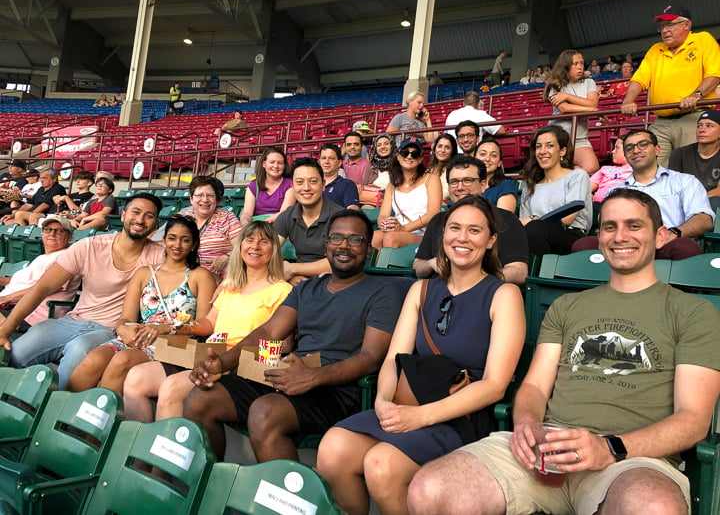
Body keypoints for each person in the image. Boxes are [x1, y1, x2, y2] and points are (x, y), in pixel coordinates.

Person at [407, 188, 720, 515]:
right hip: (548, 447)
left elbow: (693, 420)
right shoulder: (567, 306)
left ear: (659, 237)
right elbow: (535, 387)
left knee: (655, 508)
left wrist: (609, 447)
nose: (620, 236)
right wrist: (527, 425)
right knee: (430, 490)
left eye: (634, 225)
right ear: (599, 238)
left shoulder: (692, 312)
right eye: (609, 227)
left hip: (630, 458)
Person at [317, 196, 525, 515]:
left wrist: (421, 416)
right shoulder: (421, 289)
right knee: (332, 449)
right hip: (410, 402)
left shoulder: (503, 294)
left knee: (381, 464)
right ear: (442, 235)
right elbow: (392, 359)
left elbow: (496, 385)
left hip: (462, 415)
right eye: (455, 228)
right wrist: (383, 401)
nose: (463, 238)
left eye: (474, 230)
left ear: (490, 240)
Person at [184, 210, 404, 462]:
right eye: (336, 238)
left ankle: (284, 500)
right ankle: (211, 483)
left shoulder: (382, 292)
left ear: (368, 249)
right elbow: (268, 332)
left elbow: (371, 357)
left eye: (355, 239)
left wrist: (315, 377)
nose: (344, 245)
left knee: (265, 412)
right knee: (201, 398)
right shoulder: (307, 288)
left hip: (337, 391)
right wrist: (221, 363)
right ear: (326, 245)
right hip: (294, 375)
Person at [122, 221, 292, 423]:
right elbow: (209, 324)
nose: (255, 246)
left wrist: (237, 361)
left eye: (264, 242)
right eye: (249, 240)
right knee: (136, 378)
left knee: (171, 387)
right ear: (240, 247)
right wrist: (176, 326)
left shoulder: (283, 291)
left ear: (274, 249)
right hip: (211, 352)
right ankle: (136, 445)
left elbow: (285, 345)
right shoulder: (230, 287)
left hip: (240, 365)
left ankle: (164, 453)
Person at [0, 193, 165, 389]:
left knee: (78, 356)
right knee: (15, 353)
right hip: (73, 320)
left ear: (155, 224)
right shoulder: (89, 246)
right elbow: (41, 288)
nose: (140, 219)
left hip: (110, 330)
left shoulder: (159, 256)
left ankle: (58, 413)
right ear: (122, 215)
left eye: (149, 216)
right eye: (136, 212)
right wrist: (5, 330)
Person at [66, 215, 216, 393]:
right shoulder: (145, 273)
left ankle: (99, 416)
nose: (177, 245)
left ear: (193, 245)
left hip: (178, 343)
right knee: (94, 359)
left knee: (122, 360)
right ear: (164, 240)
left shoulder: (200, 276)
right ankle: (60, 414)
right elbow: (126, 318)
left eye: (185, 240)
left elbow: (204, 327)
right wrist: (123, 330)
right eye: (172, 238)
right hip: (142, 339)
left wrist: (167, 328)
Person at [573, 128, 714, 260]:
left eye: (643, 144)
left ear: (657, 149)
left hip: (665, 243)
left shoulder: (684, 181)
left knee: (685, 248)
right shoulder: (615, 191)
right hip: (624, 245)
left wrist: (676, 233)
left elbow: (704, 218)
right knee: (583, 245)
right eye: (629, 148)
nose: (635, 150)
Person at [620, 4, 720, 167]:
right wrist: (628, 100)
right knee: (649, 167)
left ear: (686, 25)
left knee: (692, 168)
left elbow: (715, 74)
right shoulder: (655, 49)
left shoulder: (702, 39)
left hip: (693, 117)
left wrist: (696, 95)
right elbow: (639, 79)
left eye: (670, 24)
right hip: (661, 121)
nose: (665, 30)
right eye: (662, 26)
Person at [414, 156, 529, 285]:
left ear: (483, 184)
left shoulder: (506, 219)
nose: (460, 187)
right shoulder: (438, 219)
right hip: (437, 292)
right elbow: (418, 265)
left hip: (485, 295)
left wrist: (477, 279)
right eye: (454, 182)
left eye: (468, 180)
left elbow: (519, 271)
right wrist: (432, 263)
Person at [519, 125, 592, 257]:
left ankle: (533, 275)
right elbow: (523, 221)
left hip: (569, 235)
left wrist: (535, 219)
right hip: (536, 235)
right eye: (538, 146)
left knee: (535, 228)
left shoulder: (577, 176)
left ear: (562, 151)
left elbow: (567, 218)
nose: (542, 151)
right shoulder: (530, 185)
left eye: (550, 146)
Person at [0, 215, 79, 332]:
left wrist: (6, 298)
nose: (52, 233)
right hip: (12, 306)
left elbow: (44, 288)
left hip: (28, 315)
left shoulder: (65, 258)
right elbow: (22, 280)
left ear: (69, 237)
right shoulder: (43, 257)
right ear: (42, 234)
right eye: (48, 229)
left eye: (59, 230)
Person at [273, 157, 344, 284]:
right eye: (299, 182)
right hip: (298, 282)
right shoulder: (287, 216)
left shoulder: (340, 217)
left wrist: (293, 269)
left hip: (334, 281)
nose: (306, 188)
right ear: (292, 186)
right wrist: (290, 276)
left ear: (323, 185)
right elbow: (266, 252)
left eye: (313, 181)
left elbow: (340, 261)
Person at [372, 138, 442, 249]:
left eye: (414, 154)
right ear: (399, 157)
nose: (409, 157)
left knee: (391, 238)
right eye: (405, 153)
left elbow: (433, 212)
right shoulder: (392, 185)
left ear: (420, 159)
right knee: (375, 237)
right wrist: (385, 225)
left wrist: (404, 228)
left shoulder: (431, 179)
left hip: (422, 234)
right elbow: (383, 215)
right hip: (396, 231)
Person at [544, 49, 600, 174]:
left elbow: (593, 102)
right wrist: (591, 110)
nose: (580, 67)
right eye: (575, 64)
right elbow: (564, 108)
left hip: (580, 137)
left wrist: (567, 97)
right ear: (565, 66)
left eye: (582, 63)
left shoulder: (589, 82)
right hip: (558, 137)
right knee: (556, 170)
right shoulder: (556, 85)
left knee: (592, 167)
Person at [178, 176, 242, 278]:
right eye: (199, 195)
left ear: (217, 200)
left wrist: (227, 257)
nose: (205, 200)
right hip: (185, 276)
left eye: (210, 195)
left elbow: (241, 246)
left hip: (218, 277)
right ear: (191, 199)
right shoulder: (183, 218)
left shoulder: (227, 218)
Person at [669, 109, 720, 210]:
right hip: (684, 203)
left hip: (711, 203)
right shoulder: (680, 153)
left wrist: (697, 201)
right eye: (699, 126)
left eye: (709, 126)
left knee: (715, 202)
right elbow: (673, 187)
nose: (702, 129)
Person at [240, 148, 294, 226]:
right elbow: (247, 213)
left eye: (280, 163)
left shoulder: (290, 184)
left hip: (279, 225)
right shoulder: (253, 186)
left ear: (284, 166)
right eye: (272, 162)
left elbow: (284, 212)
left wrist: (261, 226)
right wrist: (246, 224)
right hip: (255, 225)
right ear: (264, 164)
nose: (276, 166)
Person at [476, 138, 518, 213]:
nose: (487, 159)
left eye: (493, 155)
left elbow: (503, 219)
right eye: (482, 154)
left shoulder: (505, 185)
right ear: (474, 158)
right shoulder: (466, 183)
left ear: (499, 162)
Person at [589, 134, 633, 203]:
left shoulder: (638, 170)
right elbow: (586, 188)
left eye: (617, 148)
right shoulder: (605, 169)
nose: (613, 151)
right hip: (598, 205)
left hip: (625, 205)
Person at [320, 143, 360, 209]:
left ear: (339, 163)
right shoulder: (312, 184)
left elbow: (353, 210)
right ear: (319, 162)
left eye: (331, 158)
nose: (326, 161)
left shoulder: (347, 184)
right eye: (323, 158)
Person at [427, 134, 457, 199]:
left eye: (447, 148)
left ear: (452, 151)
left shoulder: (455, 171)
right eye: (439, 146)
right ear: (434, 149)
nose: (442, 150)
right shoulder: (428, 171)